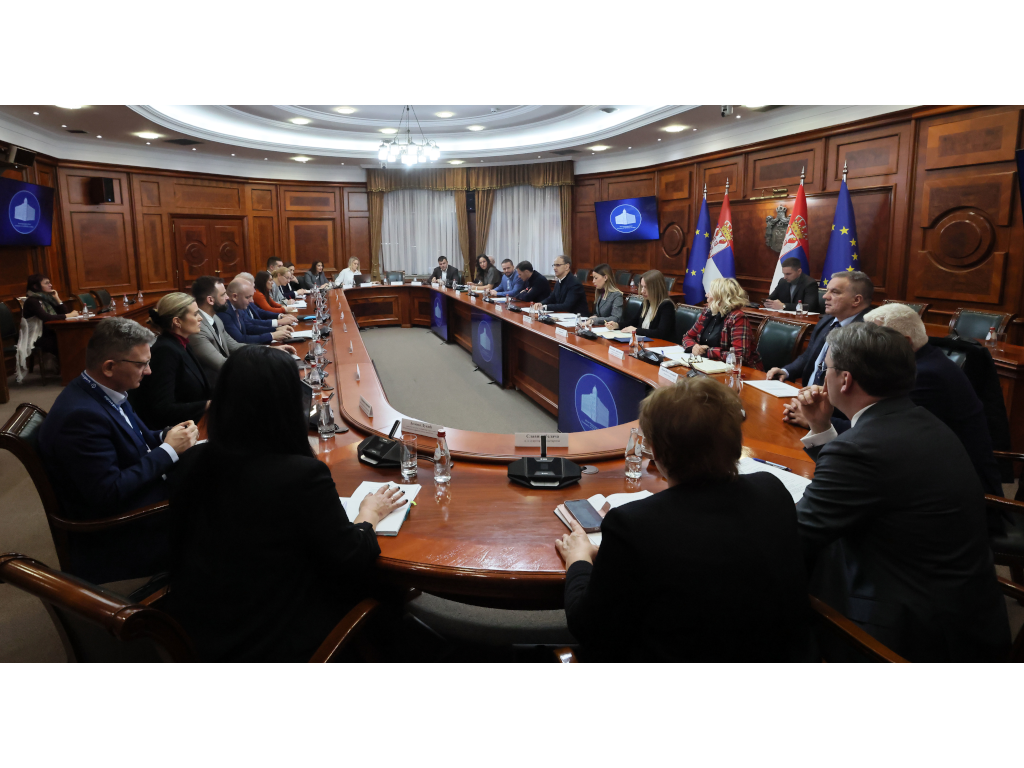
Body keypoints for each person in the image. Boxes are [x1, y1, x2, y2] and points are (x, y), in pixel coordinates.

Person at [165, 345, 407, 662]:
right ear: (287, 405)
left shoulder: (192, 459)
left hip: (198, 629)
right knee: (386, 588)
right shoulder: (300, 475)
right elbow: (351, 557)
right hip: (269, 639)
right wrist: (369, 514)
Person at [790, 323, 1010, 662]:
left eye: (827, 370)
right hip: (971, 612)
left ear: (845, 380)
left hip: (910, 633)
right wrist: (821, 427)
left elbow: (797, 533)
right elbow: (871, 482)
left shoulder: (860, 448)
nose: (822, 379)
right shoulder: (922, 421)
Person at [556, 377, 813, 662]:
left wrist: (578, 559)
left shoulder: (633, 525)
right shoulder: (772, 491)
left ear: (655, 451)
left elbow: (588, 628)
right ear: (736, 443)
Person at [784, 303, 1004, 511]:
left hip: (957, 501)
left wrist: (822, 420)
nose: (862, 342)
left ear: (904, 343)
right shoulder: (923, 365)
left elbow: (872, 437)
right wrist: (821, 421)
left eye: (874, 336)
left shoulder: (926, 376)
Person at [37, 317, 198, 584]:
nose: (149, 371)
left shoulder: (107, 390)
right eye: (142, 364)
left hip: (144, 495)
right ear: (110, 367)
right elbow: (108, 493)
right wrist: (169, 450)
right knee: (223, 508)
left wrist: (168, 435)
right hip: (123, 529)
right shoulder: (80, 418)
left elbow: (140, 438)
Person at [766, 270, 872, 385]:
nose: (825, 296)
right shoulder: (827, 321)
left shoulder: (870, 333)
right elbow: (809, 355)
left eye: (835, 292)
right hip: (806, 392)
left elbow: (863, 382)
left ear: (856, 300)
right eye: (827, 291)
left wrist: (825, 393)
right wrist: (786, 371)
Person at [188, 276, 298, 387]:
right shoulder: (197, 328)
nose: (227, 297)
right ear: (210, 300)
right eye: (223, 295)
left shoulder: (215, 318)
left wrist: (270, 350)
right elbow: (222, 364)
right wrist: (265, 358)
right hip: (215, 386)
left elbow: (235, 346)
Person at [130, 293, 211, 428]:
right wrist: (207, 405)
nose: (200, 318)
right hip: (177, 430)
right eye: (195, 314)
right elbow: (162, 408)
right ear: (177, 321)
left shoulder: (182, 344)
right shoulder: (165, 351)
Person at [682, 277, 764, 369]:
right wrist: (694, 347)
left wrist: (708, 351)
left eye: (710, 292)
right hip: (709, 365)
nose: (706, 295)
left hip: (741, 371)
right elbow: (687, 336)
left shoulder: (738, 318)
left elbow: (739, 356)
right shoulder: (707, 313)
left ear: (720, 297)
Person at [220, 278, 294, 346]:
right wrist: (272, 336)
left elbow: (249, 327)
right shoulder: (224, 313)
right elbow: (240, 339)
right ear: (235, 297)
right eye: (247, 297)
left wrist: (276, 330)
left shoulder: (238, 306)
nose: (251, 301)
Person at [21, 274, 79, 359]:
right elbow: (47, 317)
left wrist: (57, 298)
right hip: (37, 336)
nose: (50, 285)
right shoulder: (32, 301)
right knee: (64, 341)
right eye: (46, 283)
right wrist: (69, 315)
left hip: (49, 332)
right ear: (36, 286)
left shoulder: (47, 298)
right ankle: (66, 365)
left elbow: (64, 312)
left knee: (71, 337)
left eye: (49, 282)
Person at [609, 269, 674, 339]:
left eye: (646, 287)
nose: (642, 291)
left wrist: (636, 330)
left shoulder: (666, 306)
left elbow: (661, 333)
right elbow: (634, 322)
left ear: (656, 288)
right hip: (645, 341)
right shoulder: (647, 302)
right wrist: (617, 325)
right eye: (642, 286)